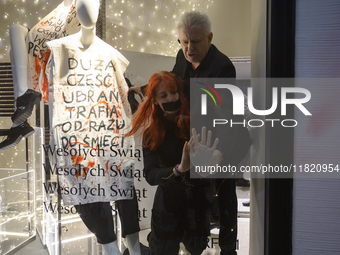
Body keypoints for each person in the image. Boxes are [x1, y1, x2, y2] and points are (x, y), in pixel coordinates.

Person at [46, 0, 141, 254]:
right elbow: (55, 100)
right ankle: (112, 248)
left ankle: (135, 250)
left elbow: (121, 100)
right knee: (92, 202)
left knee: (124, 195)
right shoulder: (60, 50)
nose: (88, 10)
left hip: (110, 138)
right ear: (75, 10)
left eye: (93, 4)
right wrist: (57, 140)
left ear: (99, 10)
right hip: (77, 140)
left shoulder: (110, 54)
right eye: (82, 4)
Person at [171, 11, 252, 255]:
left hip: (225, 137)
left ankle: (228, 250)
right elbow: (172, 84)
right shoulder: (182, 56)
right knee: (195, 196)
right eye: (184, 42)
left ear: (209, 37)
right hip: (197, 137)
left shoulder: (222, 66)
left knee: (224, 193)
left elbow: (228, 115)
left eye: (194, 41)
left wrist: (219, 152)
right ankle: (196, 247)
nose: (188, 48)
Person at [126, 71, 220, 255]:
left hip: (198, 202)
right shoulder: (151, 133)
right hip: (167, 204)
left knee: (197, 248)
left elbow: (212, 167)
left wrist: (209, 163)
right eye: (163, 95)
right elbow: (151, 175)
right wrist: (179, 169)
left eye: (174, 92)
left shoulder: (197, 124)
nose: (171, 98)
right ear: (154, 100)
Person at [0, 0, 80, 150]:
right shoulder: (67, 5)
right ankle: (21, 111)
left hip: (52, 51)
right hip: (43, 45)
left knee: (15, 33)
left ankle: (19, 118)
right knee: (16, 30)